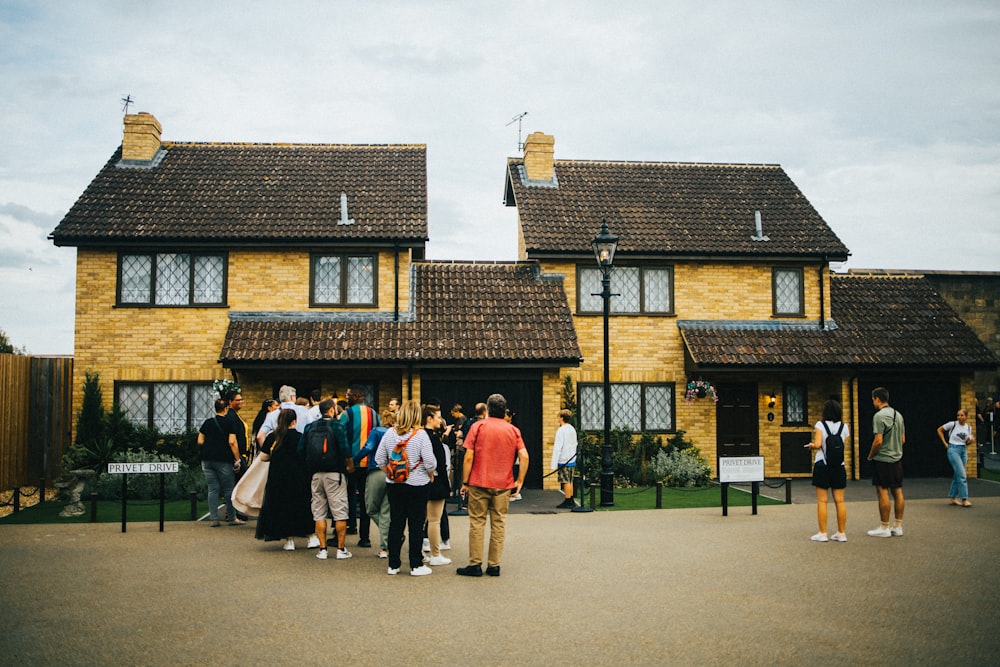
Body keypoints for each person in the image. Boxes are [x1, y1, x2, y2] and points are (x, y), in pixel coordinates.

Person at [457, 393, 528, 578]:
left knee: (477, 523)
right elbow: (524, 456)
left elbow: (469, 457)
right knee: (498, 523)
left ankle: (475, 564)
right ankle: (494, 565)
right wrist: (519, 480)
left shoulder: (478, 427)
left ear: (488, 409)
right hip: (503, 484)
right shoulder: (513, 430)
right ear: (504, 410)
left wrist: (465, 482)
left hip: (479, 482)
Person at [374, 399, 436, 576]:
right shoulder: (421, 435)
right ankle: (416, 564)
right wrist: (430, 474)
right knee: (416, 525)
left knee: (396, 523)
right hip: (417, 484)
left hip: (395, 484)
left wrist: (390, 473)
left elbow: (379, 459)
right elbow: (430, 462)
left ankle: (393, 564)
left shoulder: (390, 433)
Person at [302, 399, 355, 560]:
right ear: (332, 410)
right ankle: (340, 549)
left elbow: (301, 448)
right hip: (335, 473)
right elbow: (345, 448)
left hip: (316, 474)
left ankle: (322, 549)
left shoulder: (310, 427)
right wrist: (349, 465)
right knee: (339, 512)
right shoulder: (337, 426)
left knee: (319, 512)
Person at [255, 409, 314, 550]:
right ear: (294, 421)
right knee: (303, 505)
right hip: (300, 476)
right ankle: (312, 537)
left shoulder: (273, 437)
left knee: (283, 506)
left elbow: (263, 457)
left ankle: (289, 540)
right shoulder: (301, 437)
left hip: (278, 477)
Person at [340, 385, 381, 545]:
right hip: (369, 463)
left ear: (356, 396)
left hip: (350, 462)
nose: (346, 397)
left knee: (348, 495)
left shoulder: (347, 414)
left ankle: (351, 526)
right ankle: (365, 537)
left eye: (349, 395)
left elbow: (340, 434)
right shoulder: (374, 414)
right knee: (365, 500)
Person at [806, 400, 850, 542]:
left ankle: (823, 533)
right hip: (839, 465)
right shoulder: (844, 427)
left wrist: (812, 445)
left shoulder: (820, 425)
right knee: (840, 501)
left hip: (822, 465)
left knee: (822, 501)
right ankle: (841, 533)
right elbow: (843, 445)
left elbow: (818, 444)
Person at [867, 387, 906, 538]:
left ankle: (884, 527)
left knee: (882, 490)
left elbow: (878, 441)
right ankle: (898, 525)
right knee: (897, 490)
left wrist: (870, 456)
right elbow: (903, 439)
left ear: (877, 399)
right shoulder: (899, 415)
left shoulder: (878, 416)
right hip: (897, 458)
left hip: (882, 459)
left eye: (873, 400)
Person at [355, 410, 395, 559]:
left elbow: (368, 447)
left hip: (376, 470)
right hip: (392, 472)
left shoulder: (377, 431)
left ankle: (391, 535)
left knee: (370, 508)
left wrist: (354, 459)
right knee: (386, 511)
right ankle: (386, 546)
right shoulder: (395, 433)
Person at [197, 398, 242, 527]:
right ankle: (232, 518)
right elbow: (232, 442)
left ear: (215, 408)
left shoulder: (208, 422)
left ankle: (214, 519)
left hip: (207, 459)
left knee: (213, 489)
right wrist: (237, 459)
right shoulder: (229, 423)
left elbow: (200, 441)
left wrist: (211, 444)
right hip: (223, 459)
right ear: (226, 408)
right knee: (228, 489)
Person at [424, 404, 453, 566]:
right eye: (438, 417)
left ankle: (420, 552)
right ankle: (435, 554)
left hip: (416, 482)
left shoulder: (417, 435)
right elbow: (440, 465)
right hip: (435, 482)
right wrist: (446, 485)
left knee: (419, 520)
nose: (440, 420)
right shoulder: (434, 439)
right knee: (434, 520)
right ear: (429, 418)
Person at [937, 408, 975, 507]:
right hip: (953, 450)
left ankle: (952, 498)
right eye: (958, 415)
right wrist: (945, 443)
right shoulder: (952, 424)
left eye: (962, 415)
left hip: (963, 450)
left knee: (957, 474)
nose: (959, 417)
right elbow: (939, 430)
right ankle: (964, 499)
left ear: (966, 417)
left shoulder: (968, 428)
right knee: (962, 475)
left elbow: (967, 441)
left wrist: (970, 441)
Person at [551, 409, 578, 509]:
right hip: (571, 458)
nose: (557, 418)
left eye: (558, 416)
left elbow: (558, 447)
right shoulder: (572, 429)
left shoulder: (561, 430)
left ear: (561, 418)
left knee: (565, 480)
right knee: (570, 479)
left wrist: (554, 463)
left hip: (564, 459)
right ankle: (570, 498)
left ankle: (567, 500)